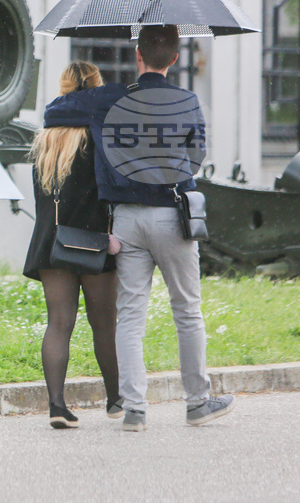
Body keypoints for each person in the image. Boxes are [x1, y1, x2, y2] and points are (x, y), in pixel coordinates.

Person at [44, 25, 234, 432]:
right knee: (187, 310)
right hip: (173, 216)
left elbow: (53, 112)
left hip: (126, 220)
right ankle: (198, 402)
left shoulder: (110, 99)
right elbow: (197, 156)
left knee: (130, 315)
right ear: (177, 59)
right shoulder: (188, 101)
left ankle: (134, 410)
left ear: (138, 56)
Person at [24, 61, 122, 429]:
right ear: (97, 88)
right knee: (104, 325)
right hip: (93, 240)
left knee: (59, 323)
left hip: (52, 242)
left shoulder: (44, 138)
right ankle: (115, 401)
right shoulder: (98, 135)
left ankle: (56, 405)